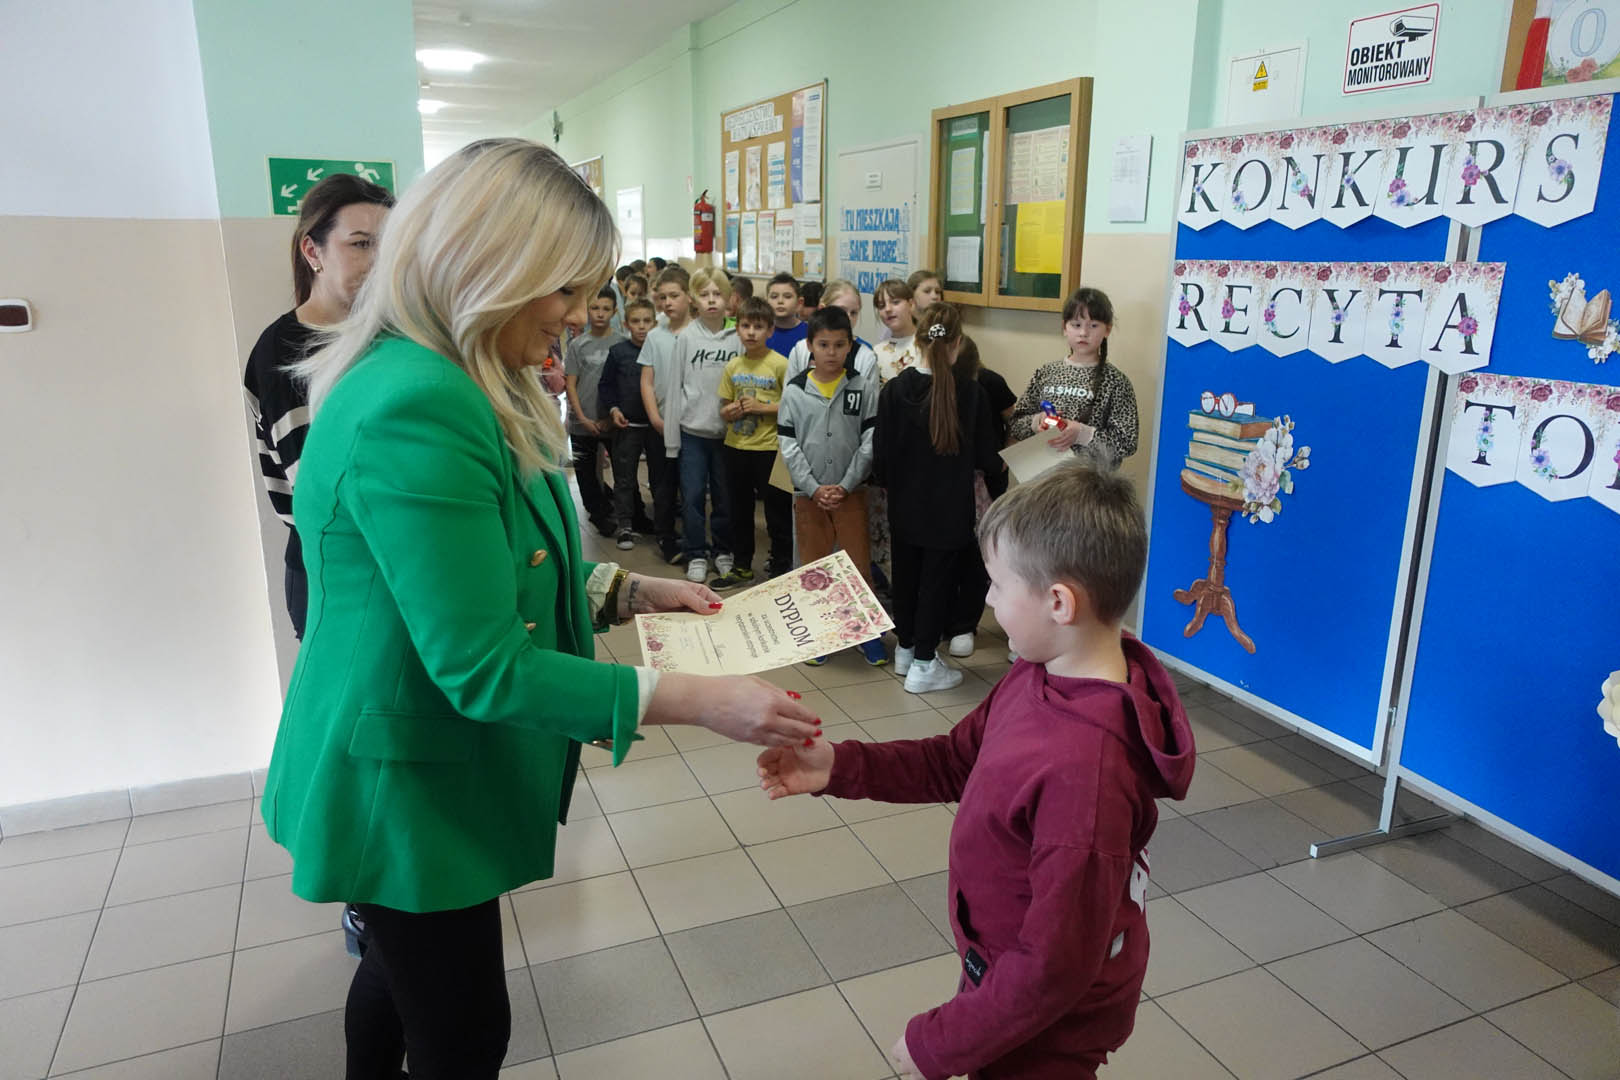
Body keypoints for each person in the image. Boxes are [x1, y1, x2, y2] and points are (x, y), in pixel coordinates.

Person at [269, 139, 822, 1080]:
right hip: (399, 778)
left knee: (398, 984)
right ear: (487, 268)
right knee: (461, 1032)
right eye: (563, 289)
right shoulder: (419, 403)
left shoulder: (461, 378)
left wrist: (630, 589)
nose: (572, 315)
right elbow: (483, 666)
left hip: (420, 760)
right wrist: (701, 701)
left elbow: (500, 561)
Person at [758, 462, 1194, 1080]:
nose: (986, 599)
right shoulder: (1041, 672)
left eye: (997, 584)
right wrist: (841, 766)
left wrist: (940, 1044)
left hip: (1049, 1027)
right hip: (1005, 975)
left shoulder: (1087, 774)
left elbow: (1054, 968)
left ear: (1059, 603)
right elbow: (953, 761)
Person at [244, 172, 394, 640]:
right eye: (361, 244)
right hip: (335, 572)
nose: (378, 260)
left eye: (387, 245)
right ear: (313, 252)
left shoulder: (389, 336)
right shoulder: (283, 352)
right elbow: (323, 490)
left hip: (397, 556)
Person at [874, 303, 1003, 694]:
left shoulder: (895, 389)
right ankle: (925, 662)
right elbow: (987, 459)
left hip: (904, 506)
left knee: (906, 577)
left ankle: (906, 649)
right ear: (957, 344)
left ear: (917, 342)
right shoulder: (972, 393)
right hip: (949, 509)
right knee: (936, 583)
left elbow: (881, 459)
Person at [777, 305, 887, 667]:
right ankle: (819, 632)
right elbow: (788, 444)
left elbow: (870, 440)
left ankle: (866, 633)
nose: (831, 352)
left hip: (851, 493)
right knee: (813, 566)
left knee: (857, 564)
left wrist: (846, 483)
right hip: (808, 495)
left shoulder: (862, 386)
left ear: (850, 346)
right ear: (810, 345)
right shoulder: (795, 390)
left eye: (839, 345)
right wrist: (812, 486)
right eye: (823, 345)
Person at [1008, 287, 1139, 471]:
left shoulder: (1116, 381)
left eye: (1093, 326)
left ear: (1107, 329)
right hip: (1045, 478)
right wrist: (1038, 422)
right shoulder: (1046, 373)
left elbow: (1127, 442)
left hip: (1091, 480)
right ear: (1065, 327)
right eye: (1076, 325)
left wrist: (1082, 434)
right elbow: (1015, 424)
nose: (1083, 333)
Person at [943, 336, 1017, 661]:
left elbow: (1014, 418)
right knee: (949, 552)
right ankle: (948, 620)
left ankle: (965, 625)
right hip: (949, 482)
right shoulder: (934, 385)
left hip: (987, 480)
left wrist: (1006, 455)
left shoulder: (990, 383)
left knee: (978, 554)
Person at [714, 296, 792, 590]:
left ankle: (781, 568)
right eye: (745, 326)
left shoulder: (780, 364)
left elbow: (793, 406)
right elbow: (723, 407)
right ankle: (742, 566)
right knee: (739, 511)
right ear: (738, 329)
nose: (751, 332)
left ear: (770, 330)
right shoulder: (733, 366)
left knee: (777, 513)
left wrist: (763, 408)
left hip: (770, 450)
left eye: (758, 327)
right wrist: (730, 412)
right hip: (736, 447)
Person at [668, 268, 741, 584]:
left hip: (727, 435)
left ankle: (723, 551)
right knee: (693, 496)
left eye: (717, 294)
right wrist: (672, 440)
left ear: (729, 299)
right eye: (705, 294)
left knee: (725, 497)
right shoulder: (685, 337)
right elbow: (674, 388)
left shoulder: (738, 337)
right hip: (692, 433)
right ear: (693, 299)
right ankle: (696, 552)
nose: (712, 300)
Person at [640, 265, 694, 562]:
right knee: (663, 484)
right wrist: (655, 418)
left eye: (674, 295)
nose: (668, 302)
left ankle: (695, 538)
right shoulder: (654, 336)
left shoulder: (700, 333)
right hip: (661, 421)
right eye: (662, 297)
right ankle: (666, 537)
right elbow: (647, 381)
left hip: (694, 423)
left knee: (692, 485)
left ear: (689, 296)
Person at [600, 298, 662, 550]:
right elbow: (606, 385)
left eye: (647, 321)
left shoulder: (661, 349)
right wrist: (613, 409)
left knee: (660, 478)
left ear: (655, 323)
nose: (642, 326)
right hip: (628, 426)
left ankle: (663, 525)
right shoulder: (618, 352)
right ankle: (625, 525)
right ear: (626, 324)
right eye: (636, 321)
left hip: (657, 426)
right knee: (624, 478)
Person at [564, 286, 624, 536]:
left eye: (606, 309)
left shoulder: (622, 342)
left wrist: (610, 417)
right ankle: (598, 515)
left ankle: (628, 513)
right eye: (595, 308)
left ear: (615, 311)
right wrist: (582, 418)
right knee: (586, 474)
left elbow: (624, 384)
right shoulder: (577, 345)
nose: (600, 313)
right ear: (587, 310)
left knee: (622, 471)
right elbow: (570, 384)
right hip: (583, 421)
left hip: (612, 420)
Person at [785, 278, 877, 384]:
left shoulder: (866, 357)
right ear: (822, 309)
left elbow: (870, 393)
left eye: (854, 313)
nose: (848, 318)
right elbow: (789, 390)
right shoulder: (800, 350)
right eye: (841, 310)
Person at [871, 278, 920, 384]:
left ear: (911, 304)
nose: (888, 309)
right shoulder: (876, 353)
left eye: (895, 302)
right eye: (881, 306)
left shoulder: (927, 346)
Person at [765, 272, 808, 356]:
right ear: (766, 302)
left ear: (799, 303)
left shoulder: (810, 332)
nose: (780, 301)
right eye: (774, 297)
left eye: (787, 296)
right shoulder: (760, 331)